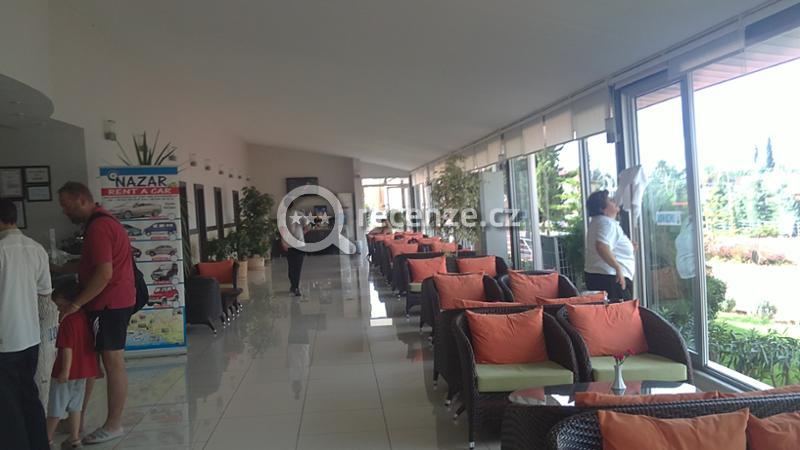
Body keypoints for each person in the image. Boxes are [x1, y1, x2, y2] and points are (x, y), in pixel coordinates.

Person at [55, 182, 134, 444]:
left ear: (81, 199)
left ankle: (113, 424)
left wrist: (75, 304)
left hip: (108, 304)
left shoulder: (99, 227)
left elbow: (104, 274)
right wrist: (59, 268)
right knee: (89, 363)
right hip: (108, 302)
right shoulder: (99, 223)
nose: (64, 211)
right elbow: (92, 264)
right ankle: (75, 420)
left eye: (66, 204)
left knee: (113, 362)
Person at [0, 198, 52, 450]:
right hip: (30, 338)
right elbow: (45, 292)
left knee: (7, 404)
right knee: (29, 396)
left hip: (4, 340)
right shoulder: (36, 248)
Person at [46, 285, 101, 448]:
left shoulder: (67, 321)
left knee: (56, 406)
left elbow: (67, 348)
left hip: (67, 373)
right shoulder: (83, 317)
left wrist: (65, 371)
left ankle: (46, 439)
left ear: (70, 302)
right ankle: (74, 439)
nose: (59, 310)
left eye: (60, 306)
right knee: (76, 406)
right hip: (83, 371)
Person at [584, 190, 635, 300]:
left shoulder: (597, 222)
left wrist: (628, 247)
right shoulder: (607, 223)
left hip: (599, 276)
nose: (615, 202)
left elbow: (607, 246)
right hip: (611, 278)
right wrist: (617, 268)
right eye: (611, 200)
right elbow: (601, 246)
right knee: (619, 310)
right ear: (602, 208)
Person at [282, 209, 308, 296]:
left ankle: (295, 287)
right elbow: (308, 225)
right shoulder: (299, 214)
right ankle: (294, 287)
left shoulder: (283, 216)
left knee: (292, 267)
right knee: (297, 268)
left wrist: (283, 242)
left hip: (290, 245)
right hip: (299, 244)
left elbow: (282, 231)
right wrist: (303, 233)